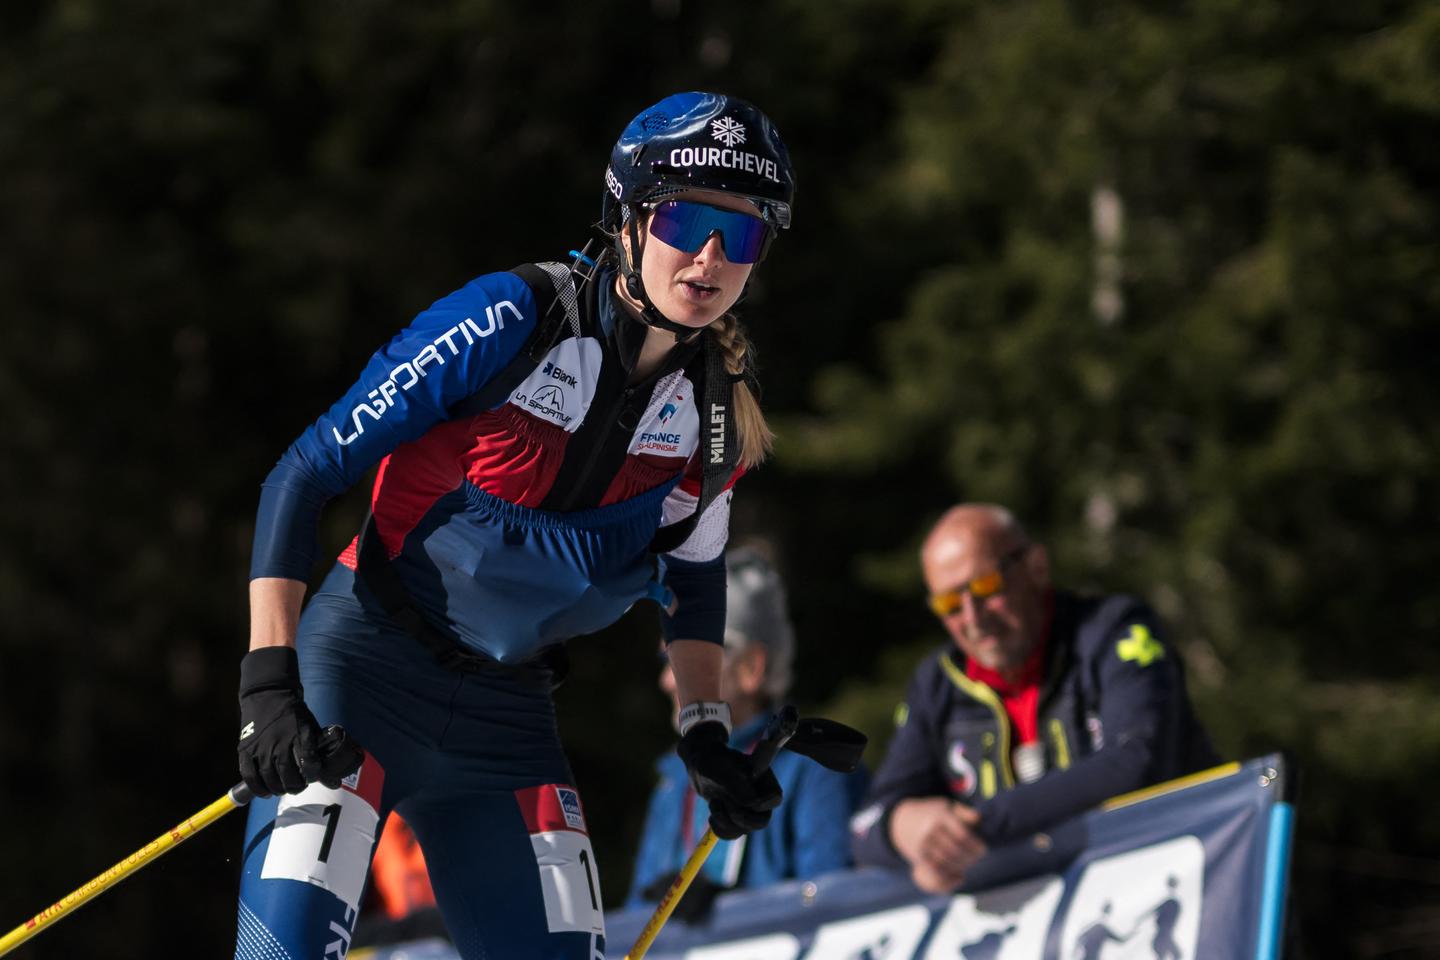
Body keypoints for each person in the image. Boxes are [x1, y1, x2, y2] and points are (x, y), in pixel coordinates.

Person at [231, 91, 798, 960]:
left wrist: (706, 733)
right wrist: (268, 682)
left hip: (505, 722)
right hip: (361, 674)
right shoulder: (509, 320)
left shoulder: (717, 416)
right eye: (687, 219)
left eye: (745, 234)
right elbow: (302, 476)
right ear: (631, 218)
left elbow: (692, 576)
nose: (712, 257)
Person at [850, 504, 1217, 893]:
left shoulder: (1113, 631)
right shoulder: (936, 685)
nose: (972, 617)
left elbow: (1139, 759)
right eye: (949, 604)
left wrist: (974, 827)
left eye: (986, 587)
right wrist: (903, 827)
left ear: (1036, 567)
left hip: (1174, 887)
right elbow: (862, 830)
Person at [626, 547, 868, 918]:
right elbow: (635, 917)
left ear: (751, 667)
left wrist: (728, 913)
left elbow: (831, 908)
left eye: (681, 662)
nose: (665, 682)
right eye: (666, 662)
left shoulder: (811, 770)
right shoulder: (673, 780)